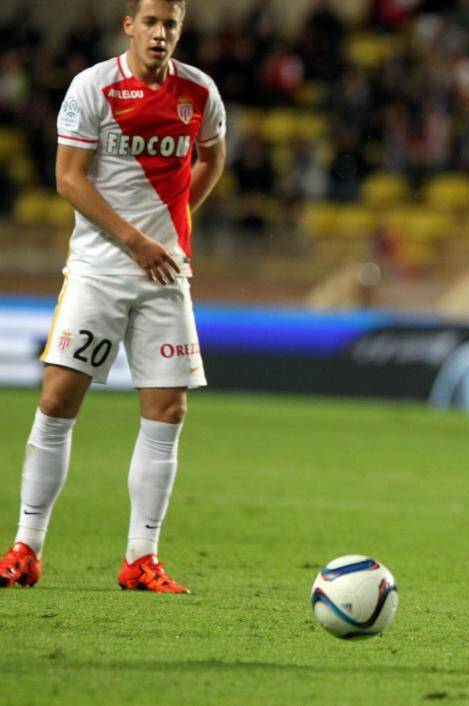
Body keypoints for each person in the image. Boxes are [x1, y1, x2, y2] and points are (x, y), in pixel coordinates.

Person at [0, 0, 226, 593]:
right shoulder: (92, 87)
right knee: (56, 402)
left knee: (168, 412)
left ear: (180, 30)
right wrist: (134, 240)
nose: (160, 34)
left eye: (170, 25)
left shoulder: (200, 93)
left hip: (164, 274)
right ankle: (26, 547)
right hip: (100, 269)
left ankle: (140, 559)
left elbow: (212, 157)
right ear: (129, 25)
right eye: (150, 23)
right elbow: (68, 177)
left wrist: (172, 226)